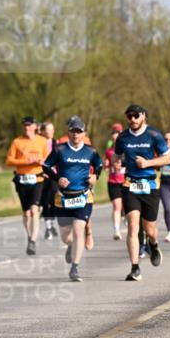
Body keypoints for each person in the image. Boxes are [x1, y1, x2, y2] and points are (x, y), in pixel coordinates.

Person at [113, 104, 170, 282]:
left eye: (136, 116)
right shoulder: (123, 137)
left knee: (150, 229)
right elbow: (116, 155)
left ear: (144, 116)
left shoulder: (154, 135)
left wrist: (147, 163)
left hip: (150, 185)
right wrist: (116, 162)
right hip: (130, 185)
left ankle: (153, 244)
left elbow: (168, 158)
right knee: (133, 226)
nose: (132, 119)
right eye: (129, 116)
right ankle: (135, 268)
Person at [42, 116, 103, 282]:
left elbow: (99, 165)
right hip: (63, 198)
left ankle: (75, 268)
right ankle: (70, 246)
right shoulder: (59, 149)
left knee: (78, 232)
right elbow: (45, 166)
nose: (75, 134)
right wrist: (57, 178)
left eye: (79, 131)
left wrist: (95, 176)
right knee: (66, 237)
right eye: (73, 131)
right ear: (68, 132)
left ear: (84, 133)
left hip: (83, 197)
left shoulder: (91, 151)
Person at [5, 117, 50, 256]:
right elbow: (9, 160)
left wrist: (42, 161)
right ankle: (30, 236)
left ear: (35, 127)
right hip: (22, 180)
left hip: (37, 179)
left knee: (34, 210)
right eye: (25, 125)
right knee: (26, 213)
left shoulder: (42, 141)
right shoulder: (17, 142)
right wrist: (25, 161)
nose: (26, 127)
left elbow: (49, 159)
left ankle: (33, 241)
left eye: (29, 125)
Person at [103, 123, 126, 240]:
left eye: (118, 133)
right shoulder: (109, 151)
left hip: (126, 181)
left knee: (126, 205)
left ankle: (126, 215)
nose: (115, 136)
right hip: (113, 182)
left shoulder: (127, 150)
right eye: (113, 133)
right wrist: (106, 165)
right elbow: (105, 166)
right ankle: (116, 230)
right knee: (117, 206)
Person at [38, 121, 59, 240]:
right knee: (45, 202)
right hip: (42, 176)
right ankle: (48, 227)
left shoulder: (56, 143)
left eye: (52, 129)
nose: (51, 132)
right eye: (48, 130)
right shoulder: (38, 143)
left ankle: (52, 223)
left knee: (54, 200)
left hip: (54, 175)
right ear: (43, 131)